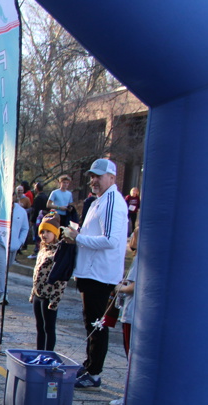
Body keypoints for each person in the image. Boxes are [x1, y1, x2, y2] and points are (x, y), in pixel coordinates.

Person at [63, 158, 129, 390]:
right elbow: (95, 233)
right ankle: (90, 364)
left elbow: (110, 240)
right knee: (91, 321)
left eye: (98, 176)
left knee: (96, 324)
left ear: (111, 177)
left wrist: (78, 237)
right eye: (92, 176)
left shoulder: (112, 202)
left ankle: (94, 373)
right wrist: (77, 233)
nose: (94, 180)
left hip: (100, 274)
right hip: (91, 273)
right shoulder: (100, 200)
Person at [28, 214, 69, 350]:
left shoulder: (59, 252)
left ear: (55, 233)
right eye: (42, 232)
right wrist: (33, 292)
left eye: (48, 232)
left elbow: (61, 281)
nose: (44, 235)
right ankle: (39, 353)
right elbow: (37, 273)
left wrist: (55, 301)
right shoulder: (43, 249)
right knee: (39, 327)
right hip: (38, 294)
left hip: (49, 297)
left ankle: (48, 354)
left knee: (48, 328)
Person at [110, 227, 138, 405]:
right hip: (136, 315)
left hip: (132, 315)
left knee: (132, 359)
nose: (130, 239)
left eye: (133, 235)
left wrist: (120, 288)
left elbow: (134, 287)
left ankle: (128, 398)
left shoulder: (140, 258)